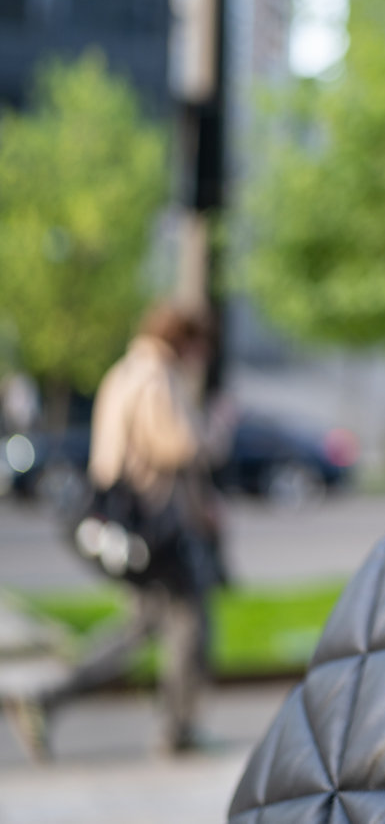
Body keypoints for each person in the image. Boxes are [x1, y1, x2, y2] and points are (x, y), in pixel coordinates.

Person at [1, 302, 224, 761]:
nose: (204, 353)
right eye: (200, 342)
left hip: (137, 522)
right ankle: (176, 729)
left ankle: (48, 698)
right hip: (158, 523)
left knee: (143, 625)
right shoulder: (155, 376)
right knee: (188, 620)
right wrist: (214, 431)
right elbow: (175, 445)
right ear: (182, 338)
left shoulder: (125, 371)